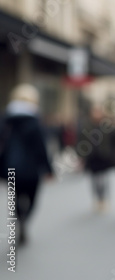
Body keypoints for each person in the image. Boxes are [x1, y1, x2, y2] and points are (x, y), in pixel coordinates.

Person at [0, 84, 53, 245]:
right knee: (32, 198)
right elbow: (40, 147)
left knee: (15, 196)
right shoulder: (34, 120)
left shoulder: (5, 119)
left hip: (10, 166)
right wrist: (48, 169)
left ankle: (19, 217)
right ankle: (24, 218)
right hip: (31, 169)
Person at [80, 106, 115, 212]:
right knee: (94, 181)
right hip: (91, 157)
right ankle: (97, 199)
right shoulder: (86, 125)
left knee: (103, 180)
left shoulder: (106, 125)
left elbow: (112, 140)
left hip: (104, 157)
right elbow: (81, 140)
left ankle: (104, 199)